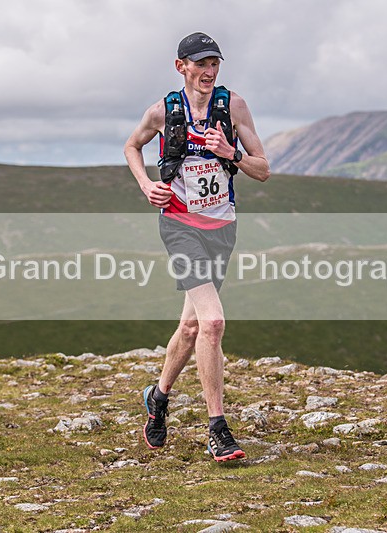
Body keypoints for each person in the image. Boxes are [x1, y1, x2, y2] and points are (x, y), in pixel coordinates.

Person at [123, 32, 270, 462]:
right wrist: (146, 184)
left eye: (215, 64)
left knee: (190, 328)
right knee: (213, 323)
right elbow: (132, 146)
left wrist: (232, 153)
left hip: (221, 228)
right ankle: (218, 429)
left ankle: (158, 397)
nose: (209, 72)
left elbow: (263, 170)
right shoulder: (162, 112)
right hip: (180, 227)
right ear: (180, 66)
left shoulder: (233, 107)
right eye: (201, 64)